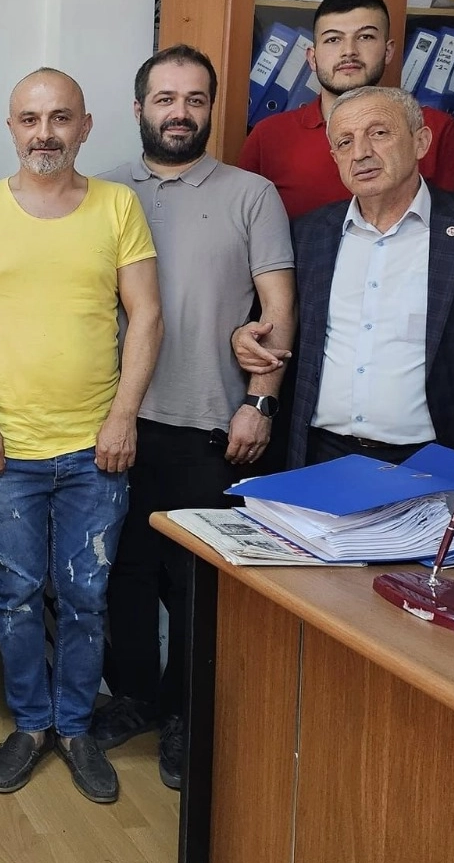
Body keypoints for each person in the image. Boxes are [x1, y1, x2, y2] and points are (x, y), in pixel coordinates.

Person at [0, 67, 162, 804]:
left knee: (86, 593)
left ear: (85, 126)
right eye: (30, 119)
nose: (45, 133)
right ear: (11, 128)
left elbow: (147, 316)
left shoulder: (118, 205)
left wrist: (123, 415)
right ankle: (31, 725)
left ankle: (76, 728)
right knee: (17, 596)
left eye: (60, 117)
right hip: (5, 449)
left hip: (97, 449)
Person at [95, 45, 294, 791]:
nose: (180, 113)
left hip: (211, 423)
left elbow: (278, 307)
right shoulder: (103, 191)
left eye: (195, 99)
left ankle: (184, 711)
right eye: (165, 98)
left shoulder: (252, 193)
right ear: (139, 107)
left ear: (210, 108)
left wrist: (260, 400)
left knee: (193, 583)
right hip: (115, 421)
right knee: (123, 574)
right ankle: (134, 699)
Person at [236, 86, 454, 469]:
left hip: (442, 457)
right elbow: (279, 320)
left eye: (379, 133)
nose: (361, 152)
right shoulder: (309, 234)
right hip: (323, 455)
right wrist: (243, 336)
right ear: (335, 157)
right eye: (345, 142)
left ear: (421, 142)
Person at [238, 0, 454, 220]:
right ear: (312, 57)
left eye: (365, 37)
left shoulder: (436, 129)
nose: (349, 51)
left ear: (388, 51)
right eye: (333, 39)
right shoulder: (267, 136)